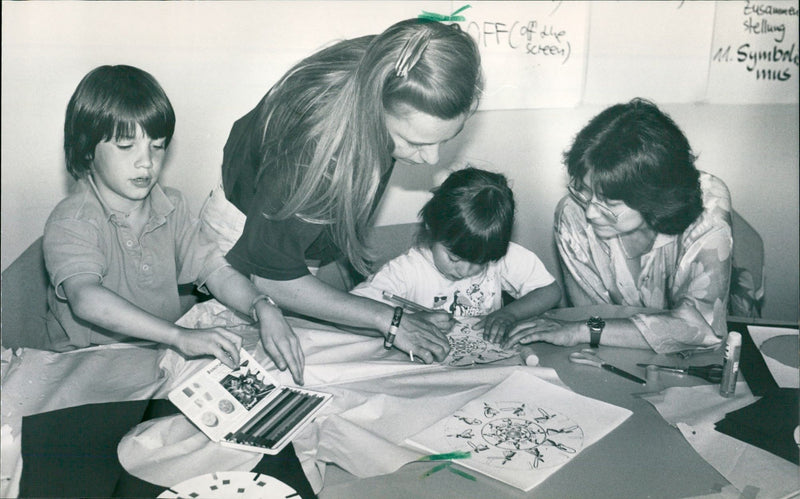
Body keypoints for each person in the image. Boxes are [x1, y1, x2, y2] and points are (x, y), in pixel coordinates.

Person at [200, 19, 483, 364]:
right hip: (244, 237)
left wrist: (389, 317)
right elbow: (274, 279)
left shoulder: (398, 65)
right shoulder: (313, 153)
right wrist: (387, 320)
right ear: (372, 109)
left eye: (446, 139)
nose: (432, 158)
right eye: (414, 142)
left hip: (291, 235)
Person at [43, 65, 304, 383]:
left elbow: (215, 270)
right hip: (88, 366)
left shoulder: (173, 206)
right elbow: (86, 298)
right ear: (86, 151)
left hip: (158, 355)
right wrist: (179, 336)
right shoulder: (72, 220)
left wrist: (261, 305)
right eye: (127, 146)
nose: (146, 161)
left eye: (157, 145)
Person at [505, 98, 733, 354]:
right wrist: (587, 331)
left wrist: (581, 331)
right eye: (584, 190)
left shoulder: (708, 206)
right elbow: (595, 317)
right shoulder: (573, 213)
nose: (590, 212)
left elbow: (702, 329)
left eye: (609, 201)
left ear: (653, 196)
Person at [350, 167, 561, 343]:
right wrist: (409, 319)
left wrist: (510, 313)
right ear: (431, 229)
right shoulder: (406, 270)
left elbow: (549, 291)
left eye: (479, 263)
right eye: (454, 258)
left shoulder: (496, 255)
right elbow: (348, 317)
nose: (464, 271)